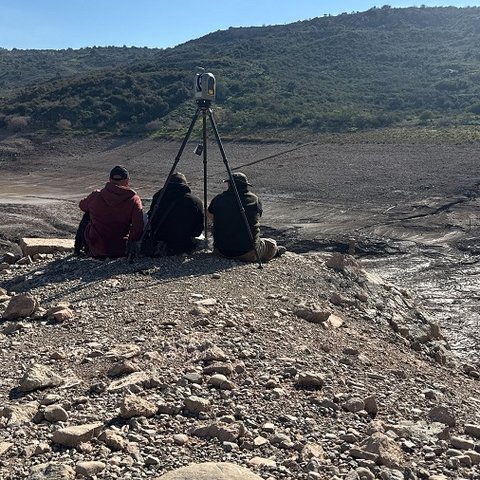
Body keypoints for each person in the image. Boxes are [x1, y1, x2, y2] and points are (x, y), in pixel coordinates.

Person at [207, 172, 286, 262]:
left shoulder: (218, 199)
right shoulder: (254, 199)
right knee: (271, 243)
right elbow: (257, 216)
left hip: (221, 251)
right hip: (247, 252)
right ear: (246, 186)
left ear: (229, 184)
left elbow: (210, 215)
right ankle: (274, 252)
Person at [75, 165, 144, 258]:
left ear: (109, 180)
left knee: (87, 214)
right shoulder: (133, 200)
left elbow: (82, 206)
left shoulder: (96, 195)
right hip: (121, 249)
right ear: (127, 181)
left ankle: (78, 249)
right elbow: (138, 225)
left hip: (96, 248)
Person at [143, 172, 204, 256]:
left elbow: (151, 218)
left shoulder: (158, 196)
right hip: (184, 244)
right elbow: (197, 231)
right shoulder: (195, 201)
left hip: (160, 241)